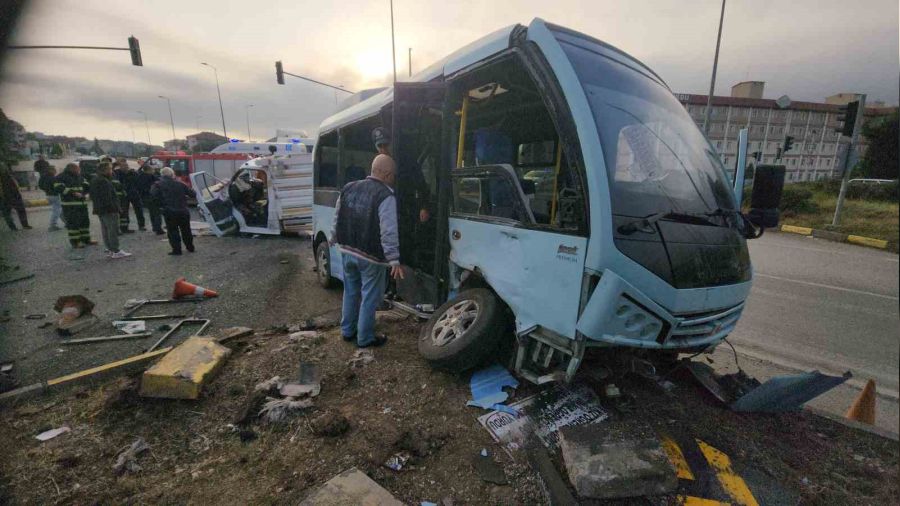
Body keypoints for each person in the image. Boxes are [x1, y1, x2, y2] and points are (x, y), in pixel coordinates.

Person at [331, 154, 405, 348]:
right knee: (370, 297)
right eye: (394, 175)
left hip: (347, 250)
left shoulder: (349, 187)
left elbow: (337, 216)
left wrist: (333, 237)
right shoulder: (386, 195)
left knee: (351, 292)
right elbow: (388, 230)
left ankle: (347, 331)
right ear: (387, 174)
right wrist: (394, 259)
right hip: (371, 257)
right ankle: (365, 338)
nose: (394, 179)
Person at [89, 162, 131, 259]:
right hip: (109, 210)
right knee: (112, 230)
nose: (111, 171)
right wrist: (116, 208)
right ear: (105, 170)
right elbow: (108, 197)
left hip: (101, 209)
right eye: (110, 169)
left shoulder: (95, 179)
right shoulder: (103, 181)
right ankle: (115, 250)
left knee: (106, 230)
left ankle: (110, 249)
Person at [151, 167, 195, 255]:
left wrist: (161, 206)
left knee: (172, 231)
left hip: (169, 211)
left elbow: (153, 197)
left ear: (161, 175)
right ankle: (190, 247)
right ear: (172, 174)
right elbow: (192, 194)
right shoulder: (180, 184)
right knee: (186, 230)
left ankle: (177, 250)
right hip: (183, 210)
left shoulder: (157, 185)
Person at [54, 163, 96, 248]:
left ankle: (86, 239)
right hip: (70, 205)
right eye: (77, 169)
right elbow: (58, 188)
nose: (79, 170)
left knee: (84, 223)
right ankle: (76, 242)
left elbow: (86, 185)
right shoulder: (61, 177)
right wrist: (73, 193)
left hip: (82, 204)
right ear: (71, 168)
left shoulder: (79, 177)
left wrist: (85, 193)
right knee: (73, 224)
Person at [1, 162, 31, 230]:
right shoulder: (7, 177)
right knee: (19, 211)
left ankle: (13, 227)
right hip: (11, 197)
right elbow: (12, 188)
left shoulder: (8, 176)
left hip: (7, 198)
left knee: (7, 214)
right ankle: (24, 225)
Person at [137, 163, 163, 234]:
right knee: (157, 213)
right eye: (152, 169)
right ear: (149, 170)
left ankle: (154, 227)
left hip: (144, 197)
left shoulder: (140, 176)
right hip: (152, 197)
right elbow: (158, 183)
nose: (153, 171)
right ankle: (158, 229)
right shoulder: (151, 177)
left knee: (152, 213)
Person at [112, 160, 136, 233]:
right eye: (125, 166)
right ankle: (117, 230)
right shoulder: (116, 174)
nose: (126, 167)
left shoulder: (129, 173)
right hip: (118, 197)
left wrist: (133, 173)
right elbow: (118, 185)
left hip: (125, 196)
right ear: (120, 167)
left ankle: (125, 228)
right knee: (117, 213)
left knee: (125, 213)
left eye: (127, 166)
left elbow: (133, 181)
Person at [38, 165, 63, 231]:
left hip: (48, 195)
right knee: (57, 210)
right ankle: (52, 225)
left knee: (59, 209)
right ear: (51, 170)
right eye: (54, 170)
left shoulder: (43, 177)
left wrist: (46, 190)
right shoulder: (52, 178)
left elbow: (40, 185)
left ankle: (66, 222)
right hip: (54, 195)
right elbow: (57, 187)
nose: (55, 171)